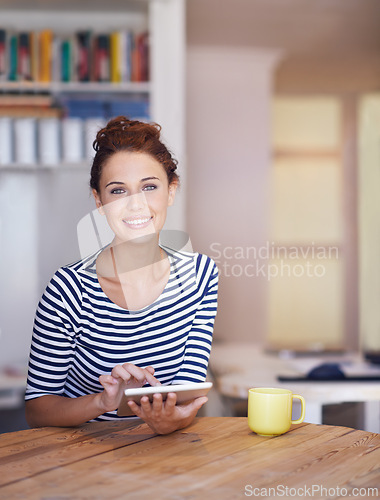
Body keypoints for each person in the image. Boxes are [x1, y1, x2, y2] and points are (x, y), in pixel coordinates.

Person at [25, 116, 218, 434]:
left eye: (149, 186)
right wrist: (103, 401)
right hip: (81, 461)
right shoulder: (69, 290)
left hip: (163, 457)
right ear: (99, 201)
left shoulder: (201, 275)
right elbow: (37, 409)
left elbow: (188, 396)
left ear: (171, 190)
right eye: (118, 191)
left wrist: (171, 420)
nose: (136, 204)